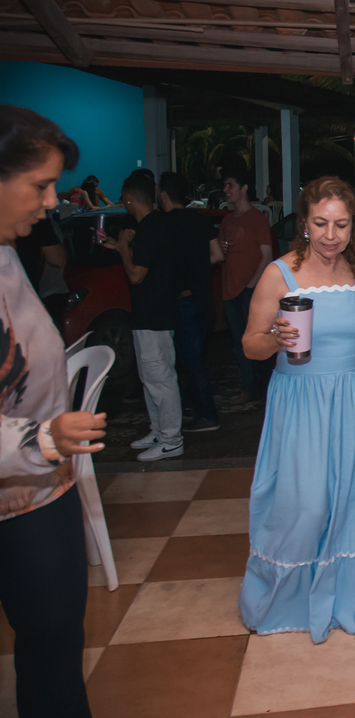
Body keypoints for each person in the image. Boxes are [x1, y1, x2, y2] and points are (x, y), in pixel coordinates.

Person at [237, 175, 355, 643]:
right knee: (304, 504)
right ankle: (286, 597)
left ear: (352, 227)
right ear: (304, 223)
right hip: (301, 404)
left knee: (354, 502)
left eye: (341, 225)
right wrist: (275, 339)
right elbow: (250, 345)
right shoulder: (279, 274)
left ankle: (349, 593)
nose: (330, 235)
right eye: (320, 223)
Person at [0, 105, 108, 718]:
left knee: (54, 643)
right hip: (25, 479)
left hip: (41, 491)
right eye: (39, 185)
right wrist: (40, 438)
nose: (50, 202)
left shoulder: (7, 252)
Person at [105, 173, 186, 461]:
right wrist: (121, 247)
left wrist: (123, 247)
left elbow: (136, 275)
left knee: (160, 379)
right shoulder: (151, 226)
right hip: (148, 316)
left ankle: (172, 439)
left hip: (155, 317)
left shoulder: (152, 227)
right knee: (149, 378)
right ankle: (159, 431)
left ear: (129, 199)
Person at [159, 172, 224, 433]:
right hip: (204, 297)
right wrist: (196, 268)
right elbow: (217, 255)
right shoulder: (200, 220)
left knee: (189, 358)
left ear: (163, 195)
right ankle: (191, 406)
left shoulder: (163, 223)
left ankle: (207, 413)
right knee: (192, 355)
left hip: (184, 299)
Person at [217, 169, 274, 404]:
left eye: (230, 185)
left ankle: (266, 388)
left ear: (244, 188)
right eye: (225, 185)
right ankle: (248, 388)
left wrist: (251, 285)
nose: (225, 190)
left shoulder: (257, 219)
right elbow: (219, 254)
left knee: (258, 340)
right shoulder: (227, 220)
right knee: (239, 342)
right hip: (230, 290)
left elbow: (267, 256)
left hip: (249, 291)